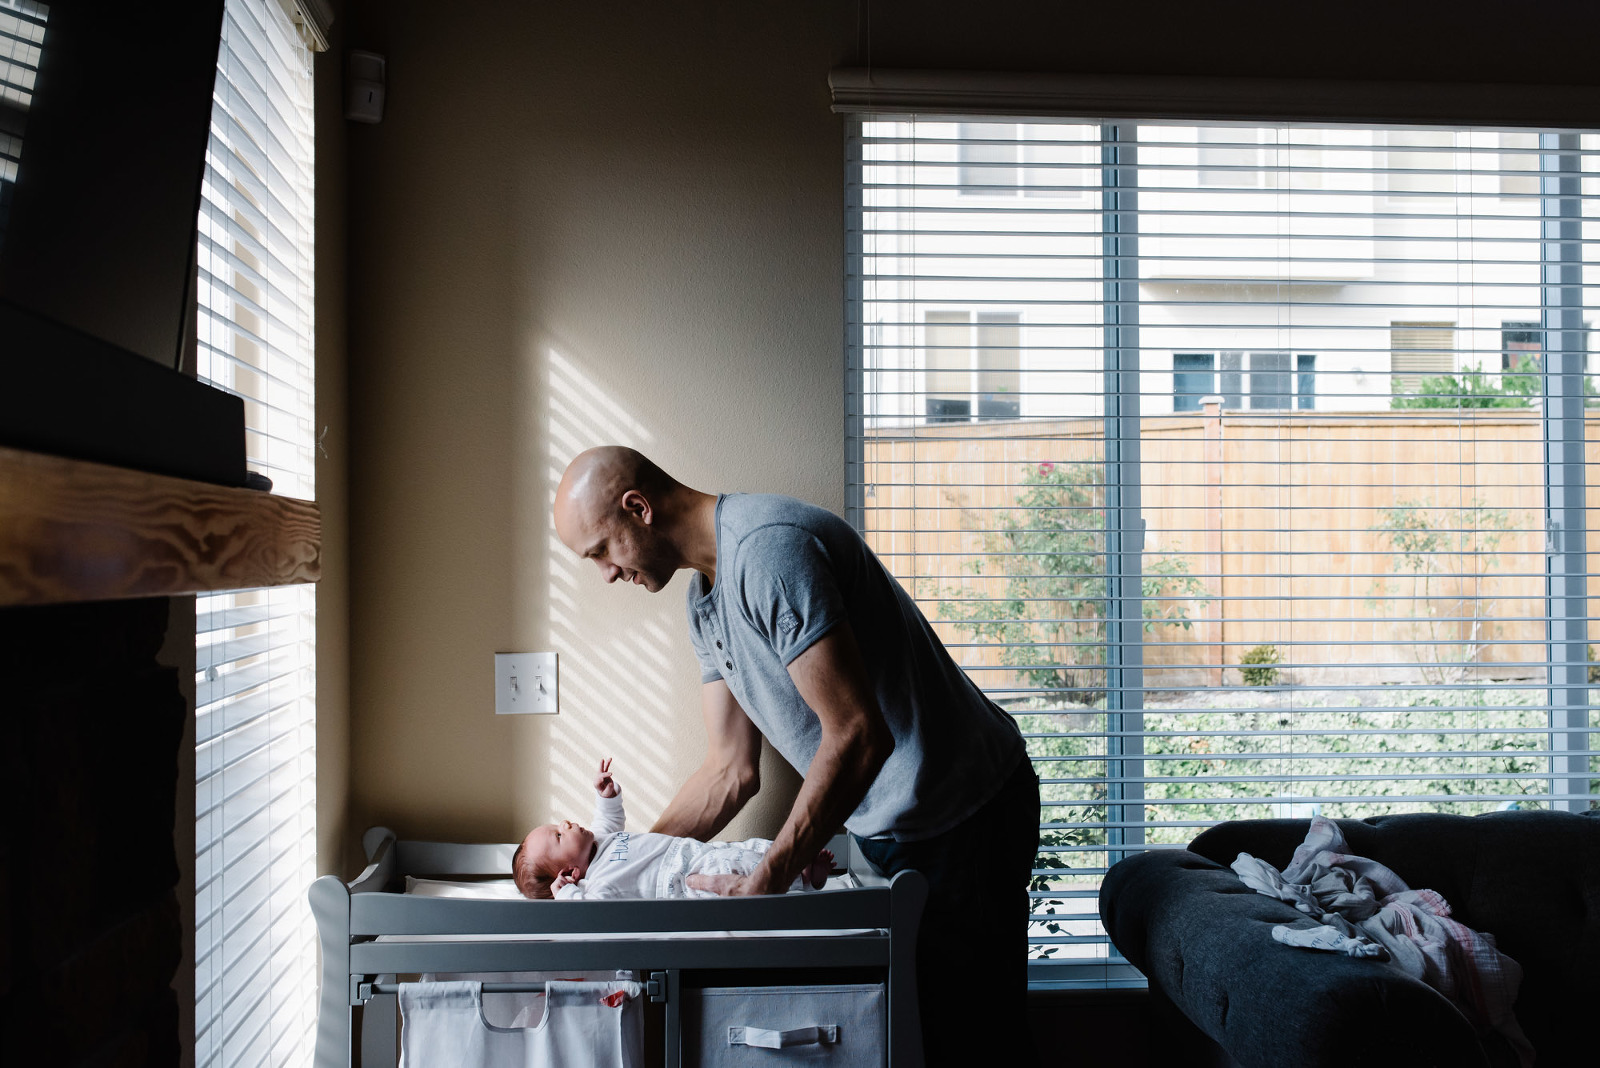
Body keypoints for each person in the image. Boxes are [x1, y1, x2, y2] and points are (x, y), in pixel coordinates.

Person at [552, 446, 1039, 1062]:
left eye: (600, 551)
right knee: (919, 1038)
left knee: (972, 1040)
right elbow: (730, 770)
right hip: (895, 823)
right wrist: (623, 872)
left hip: (967, 812)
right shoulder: (704, 602)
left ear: (638, 508)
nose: (605, 574)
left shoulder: (767, 553)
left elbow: (860, 734)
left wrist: (769, 878)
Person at [512, 759, 833, 900]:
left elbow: (608, 817)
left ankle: (797, 862)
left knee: (745, 848)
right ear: (570, 872)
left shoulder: (600, 840)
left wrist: (606, 794)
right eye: (558, 835)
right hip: (684, 882)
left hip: (689, 850)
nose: (565, 824)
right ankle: (799, 879)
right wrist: (568, 895)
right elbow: (588, 921)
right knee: (737, 869)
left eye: (557, 824)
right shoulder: (599, 886)